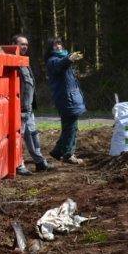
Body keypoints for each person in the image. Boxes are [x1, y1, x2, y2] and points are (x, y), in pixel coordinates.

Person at [13, 34, 52, 175]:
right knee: (19, 138)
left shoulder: (24, 61)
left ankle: (40, 162)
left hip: (28, 109)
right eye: (21, 44)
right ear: (14, 45)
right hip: (19, 109)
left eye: (26, 44)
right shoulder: (12, 63)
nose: (24, 47)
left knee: (33, 135)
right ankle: (19, 165)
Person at [44, 36, 86, 165]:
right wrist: (69, 59)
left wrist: (69, 59)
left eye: (59, 44)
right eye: (55, 45)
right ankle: (68, 154)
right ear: (50, 48)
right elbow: (59, 65)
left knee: (70, 127)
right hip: (66, 99)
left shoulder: (62, 59)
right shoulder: (53, 60)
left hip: (70, 98)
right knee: (71, 128)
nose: (58, 46)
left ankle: (58, 151)